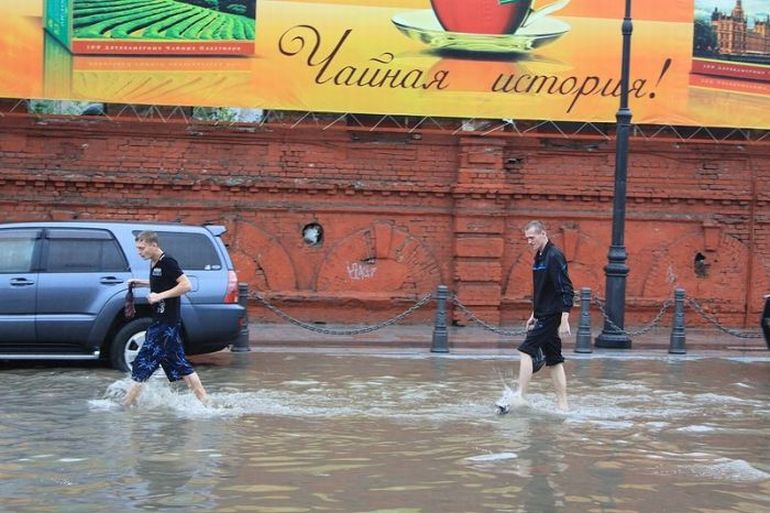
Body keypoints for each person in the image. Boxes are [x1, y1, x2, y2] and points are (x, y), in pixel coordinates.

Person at [122, 230, 208, 407]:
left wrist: (160, 296)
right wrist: (141, 283)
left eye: (142, 248)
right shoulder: (154, 262)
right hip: (163, 322)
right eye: (137, 248)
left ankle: (125, 406)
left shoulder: (167, 261)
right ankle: (206, 403)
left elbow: (186, 285)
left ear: (154, 245)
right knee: (181, 364)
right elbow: (162, 281)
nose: (139, 252)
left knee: (143, 362)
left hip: (166, 324)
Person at [500, 220, 574, 413]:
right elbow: (543, 289)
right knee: (555, 360)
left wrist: (564, 318)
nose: (529, 242)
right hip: (543, 314)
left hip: (552, 315)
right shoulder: (539, 257)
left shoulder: (554, 256)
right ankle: (563, 406)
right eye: (527, 238)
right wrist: (534, 313)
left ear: (543, 234)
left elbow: (566, 288)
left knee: (527, 349)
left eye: (532, 237)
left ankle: (520, 396)